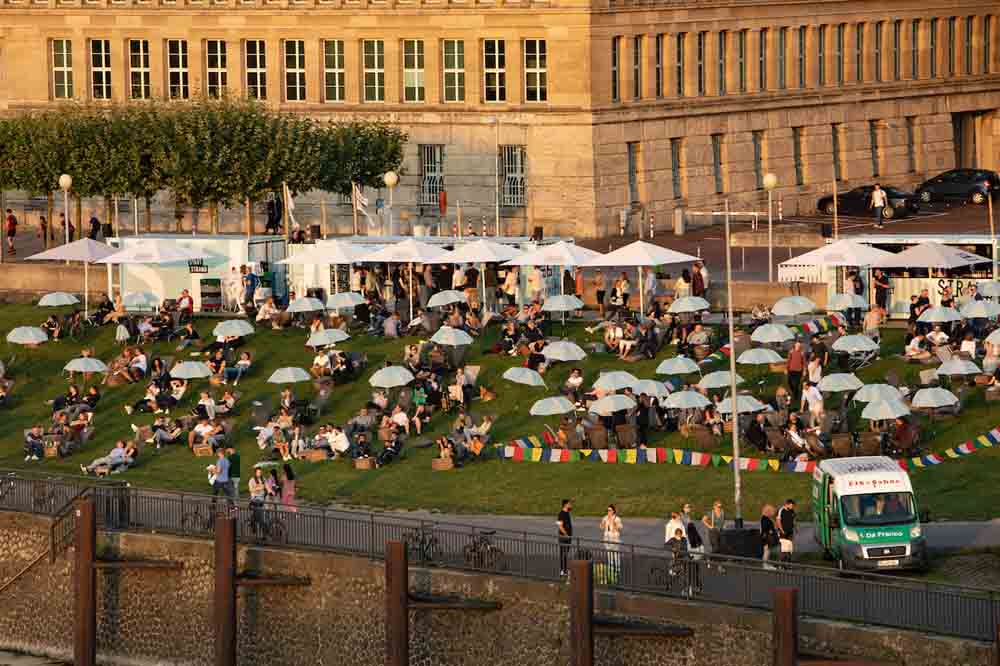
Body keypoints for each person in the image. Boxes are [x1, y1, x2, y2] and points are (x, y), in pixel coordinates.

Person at [600, 504, 622, 578]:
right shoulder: (605, 518)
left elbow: (619, 528)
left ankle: (618, 569)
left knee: (616, 554)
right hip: (607, 538)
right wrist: (602, 524)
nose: (608, 512)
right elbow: (601, 527)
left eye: (609, 510)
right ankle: (611, 569)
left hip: (614, 539)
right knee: (609, 554)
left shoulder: (617, 518)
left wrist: (614, 523)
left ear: (613, 511)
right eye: (607, 510)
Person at [777, 499, 796, 563]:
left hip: (790, 532)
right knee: (784, 548)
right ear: (787, 504)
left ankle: (788, 561)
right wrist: (781, 530)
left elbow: (793, 519)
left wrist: (794, 528)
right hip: (783, 532)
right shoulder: (781, 510)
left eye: (793, 506)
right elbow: (778, 521)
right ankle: (781, 562)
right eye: (791, 506)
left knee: (790, 548)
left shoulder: (792, 511)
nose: (792, 507)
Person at [557, 498, 573, 576]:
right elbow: (560, 526)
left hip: (568, 537)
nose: (570, 505)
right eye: (569, 504)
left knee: (565, 554)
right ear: (565, 505)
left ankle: (565, 569)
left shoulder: (567, 512)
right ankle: (562, 570)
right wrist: (566, 535)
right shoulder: (561, 514)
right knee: (563, 553)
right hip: (563, 537)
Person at [786, 340, 805, 404]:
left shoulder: (802, 353)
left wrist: (804, 370)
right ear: (794, 346)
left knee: (796, 384)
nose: (798, 347)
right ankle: (793, 392)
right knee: (789, 382)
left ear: (800, 346)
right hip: (791, 370)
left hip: (798, 370)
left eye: (799, 346)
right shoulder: (791, 352)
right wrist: (786, 368)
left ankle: (795, 397)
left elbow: (804, 362)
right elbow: (788, 360)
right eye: (797, 345)